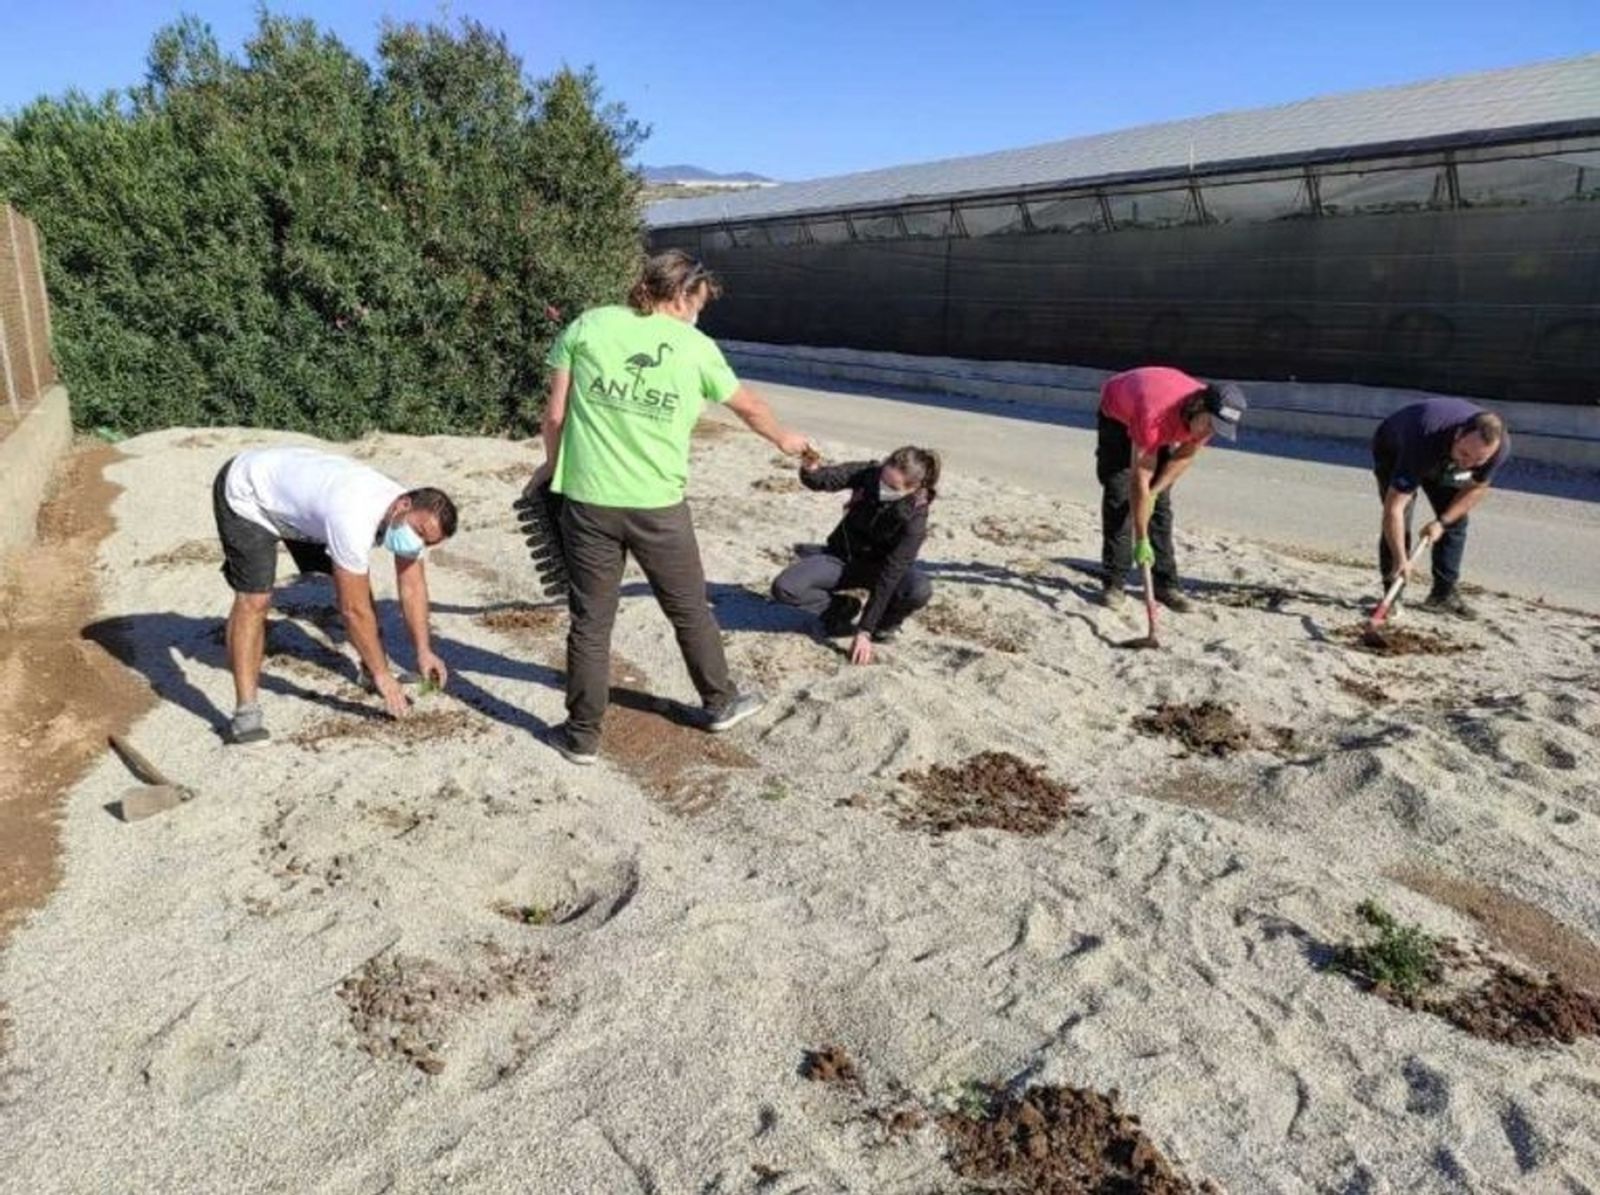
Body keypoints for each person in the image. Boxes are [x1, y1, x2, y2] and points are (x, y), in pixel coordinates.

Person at [531, 250, 814, 765]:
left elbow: (553, 417)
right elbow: (748, 406)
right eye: (699, 303)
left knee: (592, 622)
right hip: (659, 506)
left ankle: (581, 736)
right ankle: (720, 700)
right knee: (688, 609)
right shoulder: (696, 347)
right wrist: (786, 440)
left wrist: (555, 469)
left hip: (588, 500)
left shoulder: (589, 325)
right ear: (682, 295)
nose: (699, 314)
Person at [212, 445, 457, 743]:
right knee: (255, 599)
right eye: (418, 532)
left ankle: (369, 670)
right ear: (402, 505)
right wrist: (385, 676)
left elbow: (412, 586)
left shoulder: (409, 513)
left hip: (303, 509)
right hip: (247, 496)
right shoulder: (354, 516)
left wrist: (423, 650)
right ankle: (246, 713)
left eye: (427, 542)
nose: (418, 542)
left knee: (356, 584)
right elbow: (352, 610)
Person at [1094, 366, 1247, 610]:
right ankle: (1114, 582)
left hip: (1163, 415)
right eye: (1209, 424)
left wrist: (1155, 492)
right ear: (1199, 406)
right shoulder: (1155, 413)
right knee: (1119, 494)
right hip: (1119, 412)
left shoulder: (1209, 418)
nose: (1210, 432)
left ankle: (1166, 584)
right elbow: (1140, 477)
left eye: (1216, 428)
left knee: (1160, 504)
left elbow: (1185, 455)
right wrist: (1141, 539)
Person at [770, 447, 939, 666]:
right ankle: (842, 608)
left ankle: (885, 625)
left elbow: (892, 572)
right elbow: (826, 479)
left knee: (918, 589)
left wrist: (864, 631)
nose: (882, 487)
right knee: (785, 587)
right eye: (883, 478)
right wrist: (811, 468)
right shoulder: (870, 473)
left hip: (880, 569)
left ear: (913, 488)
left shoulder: (915, 519)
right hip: (842, 558)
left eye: (892, 487)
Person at [1371, 399, 1508, 619]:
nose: (1468, 465)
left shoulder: (1496, 450)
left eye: (1478, 460)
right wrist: (1400, 559)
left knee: (1455, 520)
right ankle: (1392, 595)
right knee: (1401, 521)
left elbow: (1476, 488)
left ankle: (1443, 596)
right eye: (1465, 454)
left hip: (1443, 457)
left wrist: (1442, 522)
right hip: (1395, 447)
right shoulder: (1423, 440)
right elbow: (1393, 510)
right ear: (1458, 435)